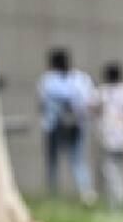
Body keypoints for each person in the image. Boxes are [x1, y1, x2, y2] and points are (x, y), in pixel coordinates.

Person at [38, 48, 94, 202]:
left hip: (58, 126)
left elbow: (42, 103)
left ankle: (55, 193)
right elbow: (88, 102)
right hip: (72, 125)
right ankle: (85, 195)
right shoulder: (81, 79)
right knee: (76, 161)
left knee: (55, 162)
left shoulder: (48, 80)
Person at [91, 62, 123, 209]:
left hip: (109, 136)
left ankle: (118, 196)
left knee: (110, 169)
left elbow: (90, 107)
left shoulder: (102, 92)